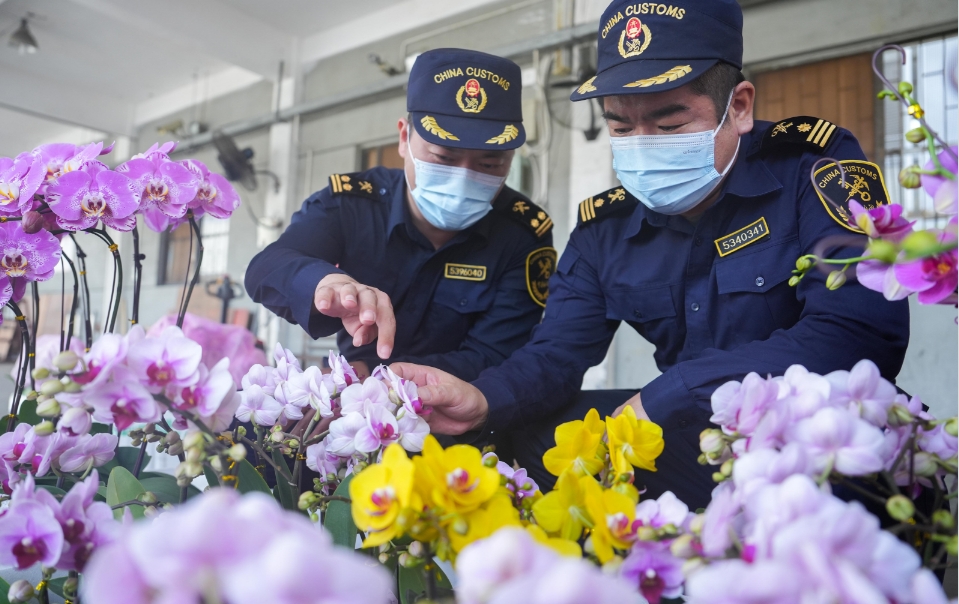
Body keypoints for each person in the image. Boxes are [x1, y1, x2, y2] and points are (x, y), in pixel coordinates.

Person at [390, 0, 910, 509]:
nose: (641, 145)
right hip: (693, 438)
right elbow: (556, 353)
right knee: (505, 432)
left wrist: (672, 392)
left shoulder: (814, 170)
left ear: (741, 107)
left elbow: (857, 334)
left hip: (813, 439)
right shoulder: (606, 228)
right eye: (619, 127)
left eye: (668, 127)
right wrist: (483, 400)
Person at [245, 48, 555, 384]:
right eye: (445, 157)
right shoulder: (352, 204)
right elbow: (267, 267)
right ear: (404, 138)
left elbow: (495, 353)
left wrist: (384, 381)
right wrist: (324, 283)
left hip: (462, 407)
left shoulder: (523, 233)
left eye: (490, 164)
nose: (463, 178)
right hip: (358, 394)